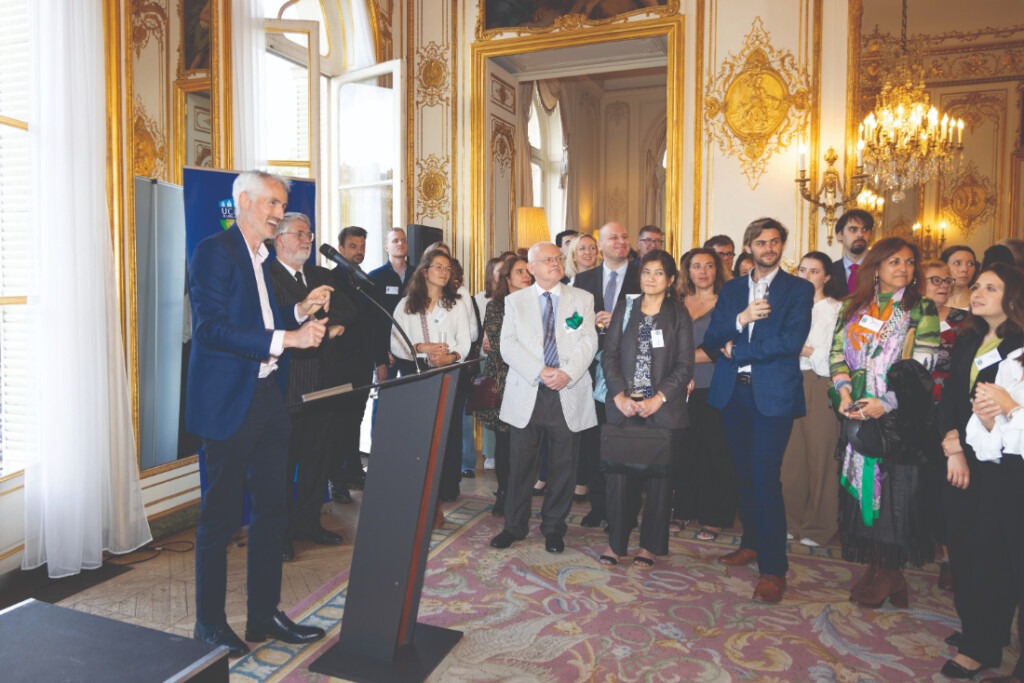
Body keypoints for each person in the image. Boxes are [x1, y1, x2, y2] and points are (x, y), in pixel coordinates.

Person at [187, 170, 328, 656]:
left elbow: (262, 321)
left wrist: (299, 313)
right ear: (244, 201)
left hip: (267, 399)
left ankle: (263, 614)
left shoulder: (262, 258)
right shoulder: (214, 252)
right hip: (228, 403)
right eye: (271, 203)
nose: (277, 213)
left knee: (272, 512)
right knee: (220, 520)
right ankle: (208, 623)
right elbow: (212, 330)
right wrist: (286, 339)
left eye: (281, 204)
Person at [704, 217, 813, 604]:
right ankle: (751, 543)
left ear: (782, 246)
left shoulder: (798, 289)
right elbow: (713, 336)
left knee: (766, 478)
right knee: (744, 475)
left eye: (775, 242)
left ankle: (773, 568)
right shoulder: (733, 289)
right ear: (748, 246)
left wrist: (738, 351)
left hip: (773, 396)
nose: (769, 248)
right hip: (733, 394)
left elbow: (790, 341)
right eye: (761, 242)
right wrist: (741, 319)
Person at [830, 236, 939, 609]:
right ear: (876, 267)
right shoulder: (853, 307)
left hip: (898, 418)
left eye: (909, 263)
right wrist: (844, 393)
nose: (903, 269)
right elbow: (836, 356)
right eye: (894, 262)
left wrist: (886, 403)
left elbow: (925, 366)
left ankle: (891, 571)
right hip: (856, 409)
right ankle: (878, 567)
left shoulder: (921, 309)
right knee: (862, 489)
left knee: (895, 492)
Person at [937, 264, 1023, 679]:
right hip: (962, 458)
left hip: (1006, 468)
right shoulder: (970, 337)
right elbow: (952, 397)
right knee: (963, 547)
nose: (978, 292)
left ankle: (983, 645)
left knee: (993, 556)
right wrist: (952, 445)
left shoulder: (1020, 344)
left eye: (991, 287)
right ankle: (974, 628)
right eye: (976, 286)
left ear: (1013, 296)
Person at [490, 241, 598, 554]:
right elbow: (508, 345)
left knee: (563, 468)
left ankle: (554, 528)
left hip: (567, 391)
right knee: (521, 467)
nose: (555, 263)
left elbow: (588, 341)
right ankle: (514, 526)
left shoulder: (582, 299)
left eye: (558, 258)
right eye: (547, 260)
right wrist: (541, 371)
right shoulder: (515, 301)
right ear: (532, 268)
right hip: (528, 391)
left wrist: (566, 373)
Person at [598, 250, 694, 568]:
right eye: (646, 272)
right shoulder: (626, 308)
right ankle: (616, 543)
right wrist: (619, 395)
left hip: (662, 410)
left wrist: (659, 398)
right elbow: (608, 355)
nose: (650, 278)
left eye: (658, 273)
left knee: (659, 481)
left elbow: (684, 365)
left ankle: (650, 547)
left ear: (669, 280)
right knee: (618, 479)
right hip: (625, 407)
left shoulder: (679, 315)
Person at [267, 214, 353, 561]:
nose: (307, 239)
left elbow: (350, 307)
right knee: (283, 466)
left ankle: (307, 524)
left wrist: (332, 327)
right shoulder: (265, 275)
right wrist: (304, 313)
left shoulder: (320, 274)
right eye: (300, 234)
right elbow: (271, 320)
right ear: (280, 240)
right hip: (287, 386)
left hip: (324, 384)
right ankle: (281, 533)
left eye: (309, 234)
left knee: (316, 460)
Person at [390, 249, 472, 505]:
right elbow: (395, 343)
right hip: (417, 374)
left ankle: (448, 485)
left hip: (449, 371)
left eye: (448, 269)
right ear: (424, 271)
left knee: (450, 429)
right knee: (422, 430)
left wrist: (452, 356)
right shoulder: (405, 304)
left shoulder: (456, 303)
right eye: (439, 267)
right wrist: (420, 349)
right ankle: (419, 483)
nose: (445, 273)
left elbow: (465, 341)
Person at [573, 221, 641, 528]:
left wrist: (621, 321)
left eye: (624, 236)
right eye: (613, 237)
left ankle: (625, 511)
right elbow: (570, 325)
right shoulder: (583, 278)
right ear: (599, 245)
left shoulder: (645, 275)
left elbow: (656, 320)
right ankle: (598, 507)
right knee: (594, 441)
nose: (621, 241)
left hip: (629, 373)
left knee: (626, 442)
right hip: (590, 372)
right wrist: (588, 323)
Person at [779, 251, 843, 547]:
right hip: (789, 379)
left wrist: (802, 350)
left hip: (820, 382)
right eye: (802, 270)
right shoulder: (790, 306)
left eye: (813, 271)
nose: (805, 276)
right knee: (791, 456)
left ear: (826, 277)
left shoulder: (834, 310)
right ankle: (790, 520)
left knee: (821, 455)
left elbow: (831, 355)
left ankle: (819, 526)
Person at [671, 248, 735, 542]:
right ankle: (682, 510)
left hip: (714, 386)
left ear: (718, 270)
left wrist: (680, 360)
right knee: (683, 452)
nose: (703, 271)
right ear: (687, 271)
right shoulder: (676, 302)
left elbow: (721, 349)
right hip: (678, 388)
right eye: (696, 266)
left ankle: (714, 517)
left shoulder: (727, 304)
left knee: (715, 452)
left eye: (709, 265)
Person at [919, 259, 969, 590]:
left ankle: (952, 558)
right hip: (911, 415)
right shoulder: (907, 320)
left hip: (949, 416)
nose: (942, 285)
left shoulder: (966, 323)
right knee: (915, 486)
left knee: (947, 489)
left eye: (947, 281)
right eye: (934, 279)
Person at [478, 256, 533, 514]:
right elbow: (502, 344)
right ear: (508, 278)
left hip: (532, 380)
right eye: (520, 271)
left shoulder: (540, 303)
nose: (526, 275)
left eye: (528, 271)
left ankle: (522, 493)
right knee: (504, 441)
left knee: (527, 441)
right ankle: (504, 492)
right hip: (503, 380)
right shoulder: (496, 306)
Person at [326, 226, 374, 503]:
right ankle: (337, 479)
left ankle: (354, 469)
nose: (359, 251)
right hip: (338, 361)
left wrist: (379, 359)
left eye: (362, 246)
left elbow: (373, 323)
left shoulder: (366, 281)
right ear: (341, 249)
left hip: (362, 361)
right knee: (338, 420)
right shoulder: (329, 278)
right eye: (353, 246)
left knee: (356, 416)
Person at [368, 227, 411, 384]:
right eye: (395, 240)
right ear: (386, 247)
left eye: (403, 240)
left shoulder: (418, 275)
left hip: (413, 351)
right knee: (384, 402)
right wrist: (380, 358)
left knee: (416, 399)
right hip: (386, 354)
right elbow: (373, 321)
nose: (400, 243)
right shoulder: (375, 277)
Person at [478, 256, 505, 471]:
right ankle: (490, 452)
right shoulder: (480, 299)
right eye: (499, 270)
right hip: (486, 359)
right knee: (490, 402)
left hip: (507, 360)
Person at [830, 209, 874, 294]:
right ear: (840, 235)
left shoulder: (881, 268)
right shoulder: (830, 271)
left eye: (865, 229)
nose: (860, 234)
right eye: (853, 229)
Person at [942, 245, 978, 310]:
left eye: (970, 264)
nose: (964, 269)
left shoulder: (980, 300)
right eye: (957, 263)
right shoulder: (933, 301)